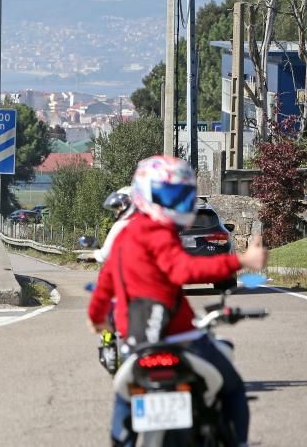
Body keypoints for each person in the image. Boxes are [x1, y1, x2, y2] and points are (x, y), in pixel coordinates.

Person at [87, 155, 268, 447]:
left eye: (181, 196)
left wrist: (96, 318)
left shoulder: (123, 235)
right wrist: (242, 261)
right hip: (182, 336)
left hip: (136, 341)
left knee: (124, 395)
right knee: (233, 387)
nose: (174, 204)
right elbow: (183, 269)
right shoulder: (162, 233)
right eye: (167, 196)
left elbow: (106, 284)